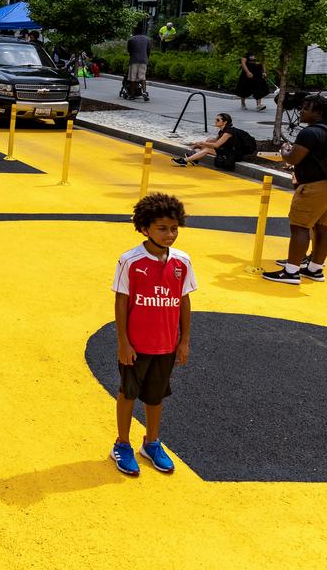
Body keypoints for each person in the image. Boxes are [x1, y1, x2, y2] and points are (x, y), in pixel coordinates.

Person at [110, 193, 194, 476]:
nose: (170, 234)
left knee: (156, 397)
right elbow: (121, 301)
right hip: (136, 345)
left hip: (166, 345)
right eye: (162, 228)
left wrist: (183, 341)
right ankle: (122, 444)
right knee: (128, 393)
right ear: (144, 228)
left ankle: (152, 442)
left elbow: (183, 300)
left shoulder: (183, 262)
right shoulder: (130, 261)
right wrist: (123, 342)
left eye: (174, 228)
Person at [263, 94, 327, 284]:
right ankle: (315, 269)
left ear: (318, 112)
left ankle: (291, 271)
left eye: (306, 108)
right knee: (323, 227)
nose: (301, 111)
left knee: (299, 227)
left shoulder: (310, 133)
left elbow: (293, 158)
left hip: (316, 187)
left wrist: (285, 150)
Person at [126, 29, 151, 101]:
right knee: (142, 77)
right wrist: (146, 58)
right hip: (144, 60)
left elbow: (129, 50)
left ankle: (132, 95)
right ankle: (144, 92)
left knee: (132, 78)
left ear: (134, 32)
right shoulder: (147, 39)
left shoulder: (131, 39)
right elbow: (148, 50)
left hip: (134, 60)